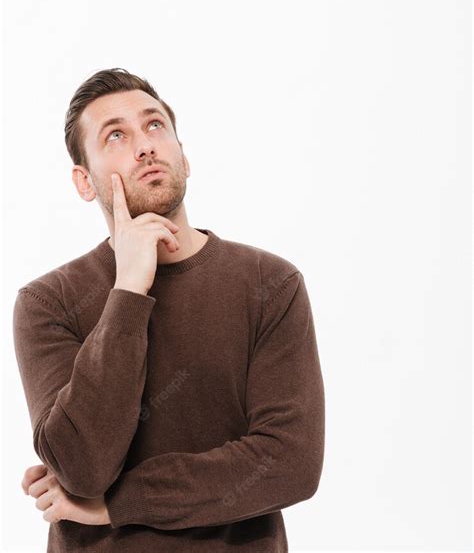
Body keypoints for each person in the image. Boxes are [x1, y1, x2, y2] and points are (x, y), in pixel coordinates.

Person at [13, 67, 325, 553]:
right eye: (115, 135)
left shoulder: (270, 284)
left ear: (184, 155)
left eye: (155, 126)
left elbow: (289, 464)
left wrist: (116, 505)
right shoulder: (47, 303)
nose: (144, 145)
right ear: (84, 181)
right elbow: (82, 468)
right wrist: (129, 291)